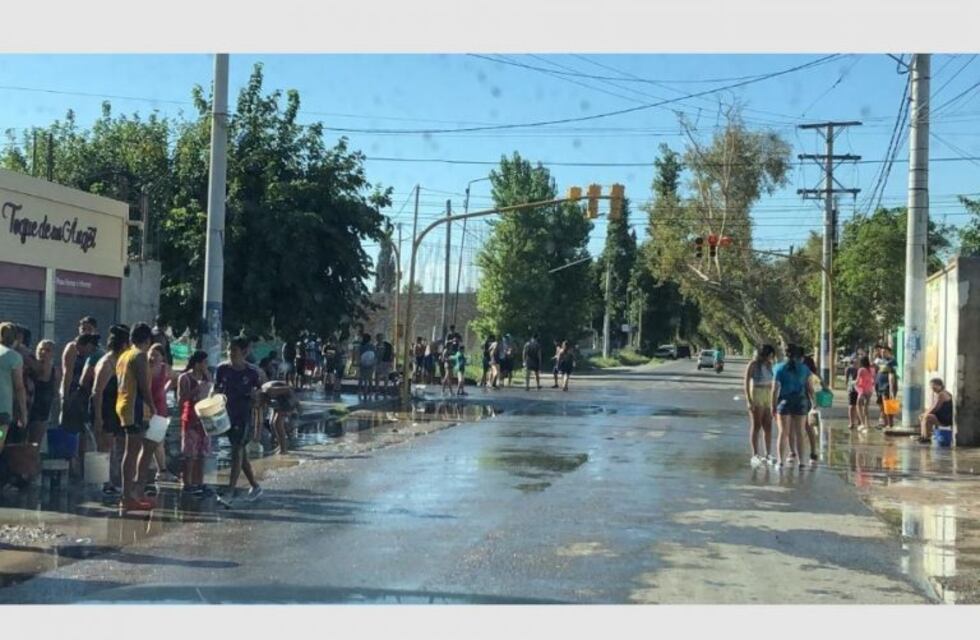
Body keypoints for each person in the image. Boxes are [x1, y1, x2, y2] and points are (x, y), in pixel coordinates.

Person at [115, 323, 163, 511]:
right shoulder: (139, 356)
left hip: (124, 405)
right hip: (134, 406)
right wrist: (152, 407)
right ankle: (127, 496)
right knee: (133, 451)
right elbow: (144, 386)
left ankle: (134, 493)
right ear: (148, 340)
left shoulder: (124, 355)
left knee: (135, 449)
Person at [214, 337, 263, 503]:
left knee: (236, 451)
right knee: (240, 455)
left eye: (234, 350)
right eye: (228, 349)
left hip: (243, 417)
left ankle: (230, 492)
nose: (230, 353)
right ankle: (255, 486)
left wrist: (255, 399)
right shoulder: (222, 369)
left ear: (244, 352)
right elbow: (215, 391)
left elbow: (259, 399)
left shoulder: (252, 373)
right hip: (226, 416)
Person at [92, 325, 129, 497]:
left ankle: (111, 482)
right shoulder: (106, 363)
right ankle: (103, 483)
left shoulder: (119, 361)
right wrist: (98, 417)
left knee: (114, 448)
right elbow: (97, 392)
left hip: (115, 411)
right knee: (104, 447)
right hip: (104, 410)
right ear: (122, 345)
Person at [770, 344, 814, 469]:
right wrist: (814, 403)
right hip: (800, 402)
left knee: (783, 432)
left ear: (785, 354)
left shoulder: (778, 368)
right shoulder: (805, 369)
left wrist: (772, 406)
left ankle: (780, 461)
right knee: (800, 433)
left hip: (784, 402)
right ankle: (802, 462)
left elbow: (774, 390)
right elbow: (810, 388)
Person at [177, 350, 212, 497]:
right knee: (189, 454)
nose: (206, 366)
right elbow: (180, 400)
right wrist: (195, 390)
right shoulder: (185, 378)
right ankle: (187, 483)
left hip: (204, 419)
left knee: (202, 453)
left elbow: (212, 393)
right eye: (204, 363)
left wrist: (208, 378)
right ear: (197, 363)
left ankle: (199, 482)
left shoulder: (206, 378)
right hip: (190, 418)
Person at [146, 344, 176, 494]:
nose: (152, 357)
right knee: (147, 440)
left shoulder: (165, 368)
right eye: (151, 354)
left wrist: (166, 389)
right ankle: (155, 470)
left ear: (162, 357)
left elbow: (175, 379)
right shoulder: (144, 367)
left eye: (156, 355)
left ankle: (161, 471)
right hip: (146, 408)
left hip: (160, 409)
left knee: (158, 441)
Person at [743, 344, 775, 466]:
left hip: (768, 393)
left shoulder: (770, 365)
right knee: (757, 425)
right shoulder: (753, 364)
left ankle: (768, 453)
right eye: (769, 355)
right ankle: (755, 454)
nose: (771, 357)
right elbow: (746, 382)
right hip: (757, 392)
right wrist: (749, 400)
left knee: (768, 425)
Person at [0, 323, 28, 457]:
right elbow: (19, 387)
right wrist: (23, 413)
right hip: (2, 412)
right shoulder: (14, 357)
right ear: (17, 338)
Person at [26, 339, 59, 447]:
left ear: (53, 353)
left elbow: (55, 393)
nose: (43, 352)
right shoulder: (29, 368)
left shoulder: (55, 372)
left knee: (35, 444)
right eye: (41, 349)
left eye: (47, 350)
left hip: (41, 412)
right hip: (26, 409)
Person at [260, 380, 298, 454]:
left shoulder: (269, 391)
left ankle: (283, 449)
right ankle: (280, 445)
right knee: (271, 423)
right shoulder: (264, 396)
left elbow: (288, 389)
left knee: (277, 423)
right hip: (279, 400)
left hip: (287, 399)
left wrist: (295, 405)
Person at [916, 378, 954, 444]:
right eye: (931, 386)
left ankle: (927, 438)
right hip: (941, 417)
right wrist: (925, 413)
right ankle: (923, 436)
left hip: (945, 419)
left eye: (934, 385)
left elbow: (935, 408)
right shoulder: (938, 394)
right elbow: (932, 406)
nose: (932, 388)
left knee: (927, 417)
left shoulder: (942, 394)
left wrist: (926, 414)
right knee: (923, 416)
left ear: (940, 385)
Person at [874, 346, 898, 429]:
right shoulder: (881, 360)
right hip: (879, 385)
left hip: (887, 385)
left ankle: (890, 424)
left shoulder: (892, 361)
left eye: (884, 352)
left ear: (889, 352)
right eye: (881, 352)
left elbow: (892, 375)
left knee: (888, 403)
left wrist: (891, 389)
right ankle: (885, 422)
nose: (882, 353)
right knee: (881, 404)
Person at [854, 356, 876, 430]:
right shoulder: (872, 370)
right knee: (866, 407)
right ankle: (868, 424)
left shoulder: (861, 370)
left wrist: (853, 384)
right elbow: (873, 380)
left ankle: (862, 423)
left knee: (858, 405)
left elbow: (857, 381)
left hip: (862, 390)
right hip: (869, 390)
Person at [844, 356, 860, 429]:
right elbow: (846, 379)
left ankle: (859, 421)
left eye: (858, 362)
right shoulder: (849, 369)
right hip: (852, 389)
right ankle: (851, 422)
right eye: (855, 362)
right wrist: (847, 387)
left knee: (858, 406)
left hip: (859, 389)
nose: (857, 363)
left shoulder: (860, 369)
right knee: (851, 406)